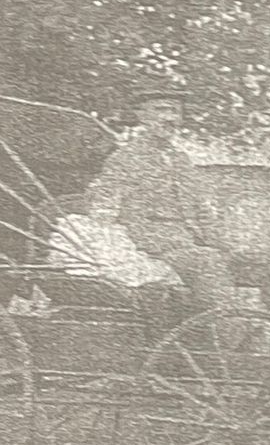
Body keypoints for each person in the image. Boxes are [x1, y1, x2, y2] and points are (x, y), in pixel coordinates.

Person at [84, 84, 244, 318]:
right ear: (142, 116)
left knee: (267, 261)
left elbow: (202, 212)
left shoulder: (181, 160)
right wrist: (158, 245)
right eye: (161, 110)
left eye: (175, 112)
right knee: (207, 262)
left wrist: (225, 244)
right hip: (153, 249)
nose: (170, 118)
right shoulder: (125, 159)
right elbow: (113, 213)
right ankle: (227, 345)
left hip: (189, 245)